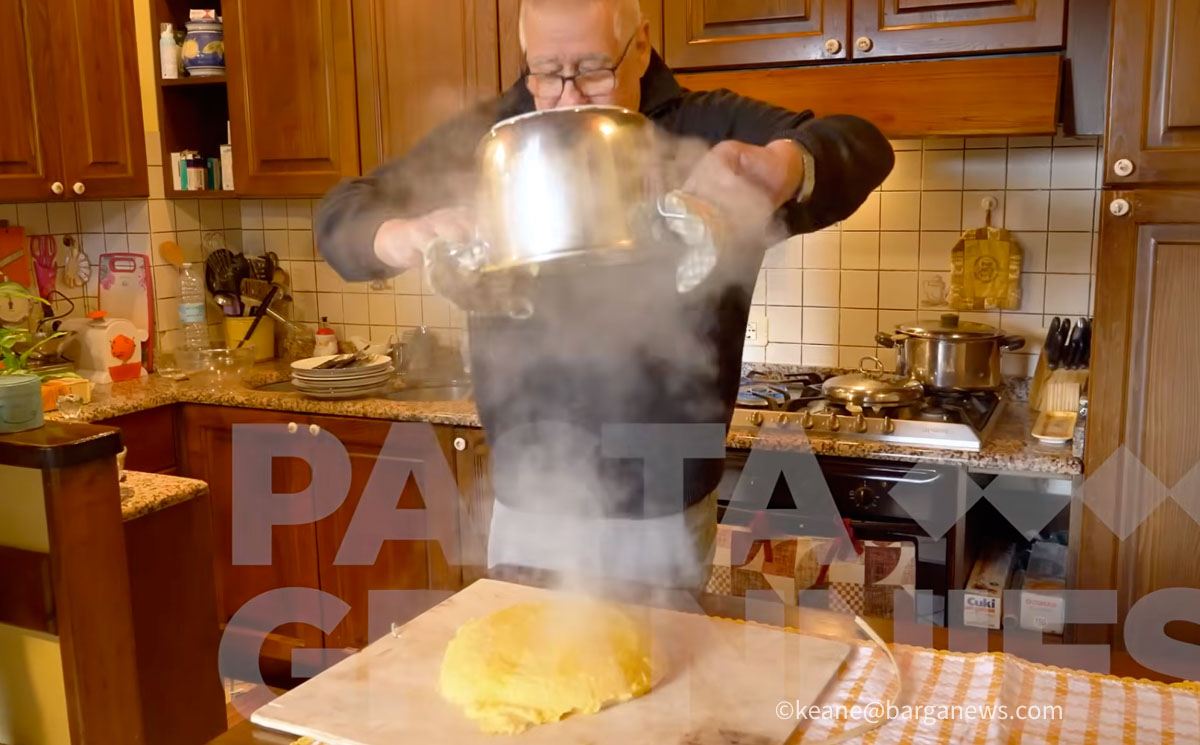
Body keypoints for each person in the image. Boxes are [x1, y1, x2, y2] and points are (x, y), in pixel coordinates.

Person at [316, 0, 894, 592]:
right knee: (522, 672)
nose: (567, 97)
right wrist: (402, 235)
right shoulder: (496, 139)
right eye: (544, 71)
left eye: (593, 70)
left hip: (664, 497)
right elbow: (342, 213)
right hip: (529, 492)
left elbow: (863, 144)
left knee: (657, 670)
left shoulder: (708, 128)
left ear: (639, 47)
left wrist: (785, 168)